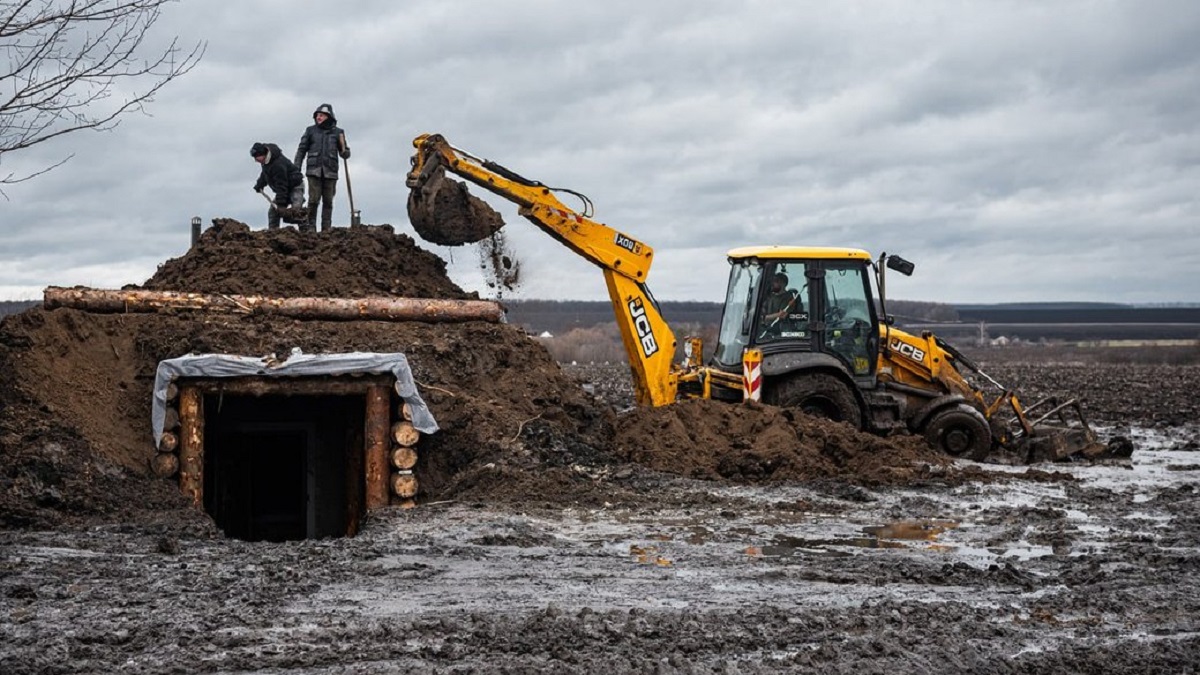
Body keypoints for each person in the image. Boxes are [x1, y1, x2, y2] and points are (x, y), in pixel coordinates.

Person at [294, 103, 350, 232]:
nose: (319, 117)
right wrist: (296, 168)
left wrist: (345, 152)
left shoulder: (338, 133)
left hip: (330, 171)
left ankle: (326, 228)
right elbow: (301, 150)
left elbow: (344, 151)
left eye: (322, 115)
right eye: (317, 115)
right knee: (313, 200)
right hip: (314, 170)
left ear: (329, 117)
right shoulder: (310, 131)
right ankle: (311, 226)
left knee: (328, 201)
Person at [251, 142, 304, 230]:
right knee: (273, 212)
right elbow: (265, 174)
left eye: (256, 157)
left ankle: (306, 233)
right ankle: (273, 232)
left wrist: (281, 204)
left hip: (295, 186)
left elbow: (281, 184)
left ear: (263, 154)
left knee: (296, 213)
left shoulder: (278, 164)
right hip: (283, 189)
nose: (256, 160)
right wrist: (260, 184)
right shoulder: (266, 162)